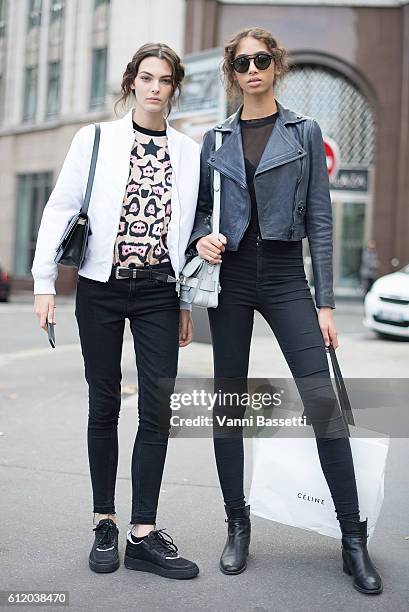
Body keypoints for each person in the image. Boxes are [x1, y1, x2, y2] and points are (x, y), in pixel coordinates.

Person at [186, 27, 382, 594]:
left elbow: (320, 222)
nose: (252, 69)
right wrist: (203, 238)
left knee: (323, 404)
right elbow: (200, 214)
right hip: (231, 278)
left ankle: (353, 539)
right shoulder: (215, 139)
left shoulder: (303, 130)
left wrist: (326, 302)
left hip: (283, 276)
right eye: (243, 61)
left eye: (262, 60)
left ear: (277, 67)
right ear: (232, 71)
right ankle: (237, 524)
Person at [32, 43, 201, 580]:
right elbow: (61, 206)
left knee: (158, 409)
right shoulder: (96, 138)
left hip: (158, 290)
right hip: (101, 289)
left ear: (174, 88)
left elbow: (190, 230)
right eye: (146, 77)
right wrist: (42, 284)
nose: (155, 87)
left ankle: (144, 533)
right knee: (103, 404)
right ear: (132, 82)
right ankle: (105, 522)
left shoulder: (189, 152)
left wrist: (185, 301)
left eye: (165, 79)